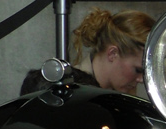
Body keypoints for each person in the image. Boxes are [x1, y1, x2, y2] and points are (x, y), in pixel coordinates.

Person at [19, 8, 152, 96]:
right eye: (138, 70)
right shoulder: (62, 91)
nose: (141, 80)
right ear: (112, 54)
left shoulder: (120, 95)